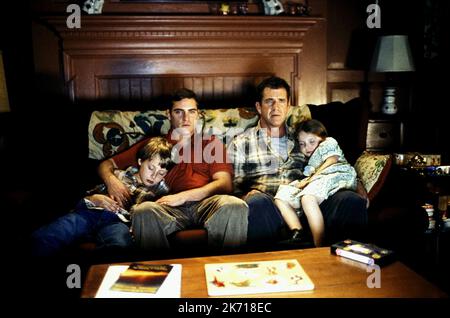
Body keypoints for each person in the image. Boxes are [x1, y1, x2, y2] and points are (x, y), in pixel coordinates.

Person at [98, 88, 248, 251]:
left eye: (191, 112)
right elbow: (106, 164)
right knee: (143, 210)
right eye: (179, 112)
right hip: (167, 207)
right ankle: (157, 273)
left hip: (206, 204)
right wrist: (111, 180)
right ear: (169, 115)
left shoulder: (211, 143)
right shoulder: (154, 145)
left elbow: (225, 184)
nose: (186, 118)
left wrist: (184, 196)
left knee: (235, 205)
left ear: (198, 114)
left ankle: (224, 271)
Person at [228, 76, 368, 246]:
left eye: (281, 101)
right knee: (256, 202)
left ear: (288, 106)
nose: (276, 107)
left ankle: (344, 267)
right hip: (270, 206)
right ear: (259, 107)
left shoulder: (304, 136)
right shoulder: (241, 143)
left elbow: (334, 161)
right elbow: (233, 189)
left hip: (310, 202)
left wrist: (357, 184)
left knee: (350, 199)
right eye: (269, 101)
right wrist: (246, 195)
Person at [31, 137, 174, 257]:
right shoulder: (119, 175)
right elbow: (88, 196)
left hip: (117, 223)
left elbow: (153, 216)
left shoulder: (160, 191)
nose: (154, 176)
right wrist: (94, 198)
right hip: (90, 213)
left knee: (120, 246)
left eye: (161, 173)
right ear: (140, 161)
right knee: (49, 235)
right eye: (151, 168)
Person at [274, 119, 357, 247]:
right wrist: (307, 181)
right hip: (318, 180)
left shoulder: (328, 142)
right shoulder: (310, 161)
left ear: (322, 137)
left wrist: (310, 180)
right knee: (281, 195)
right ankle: (297, 231)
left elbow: (332, 160)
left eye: (311, 141)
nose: (307, 147)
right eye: (302, 144)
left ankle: (319, 244)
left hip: (336, 174)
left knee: (308, 198)